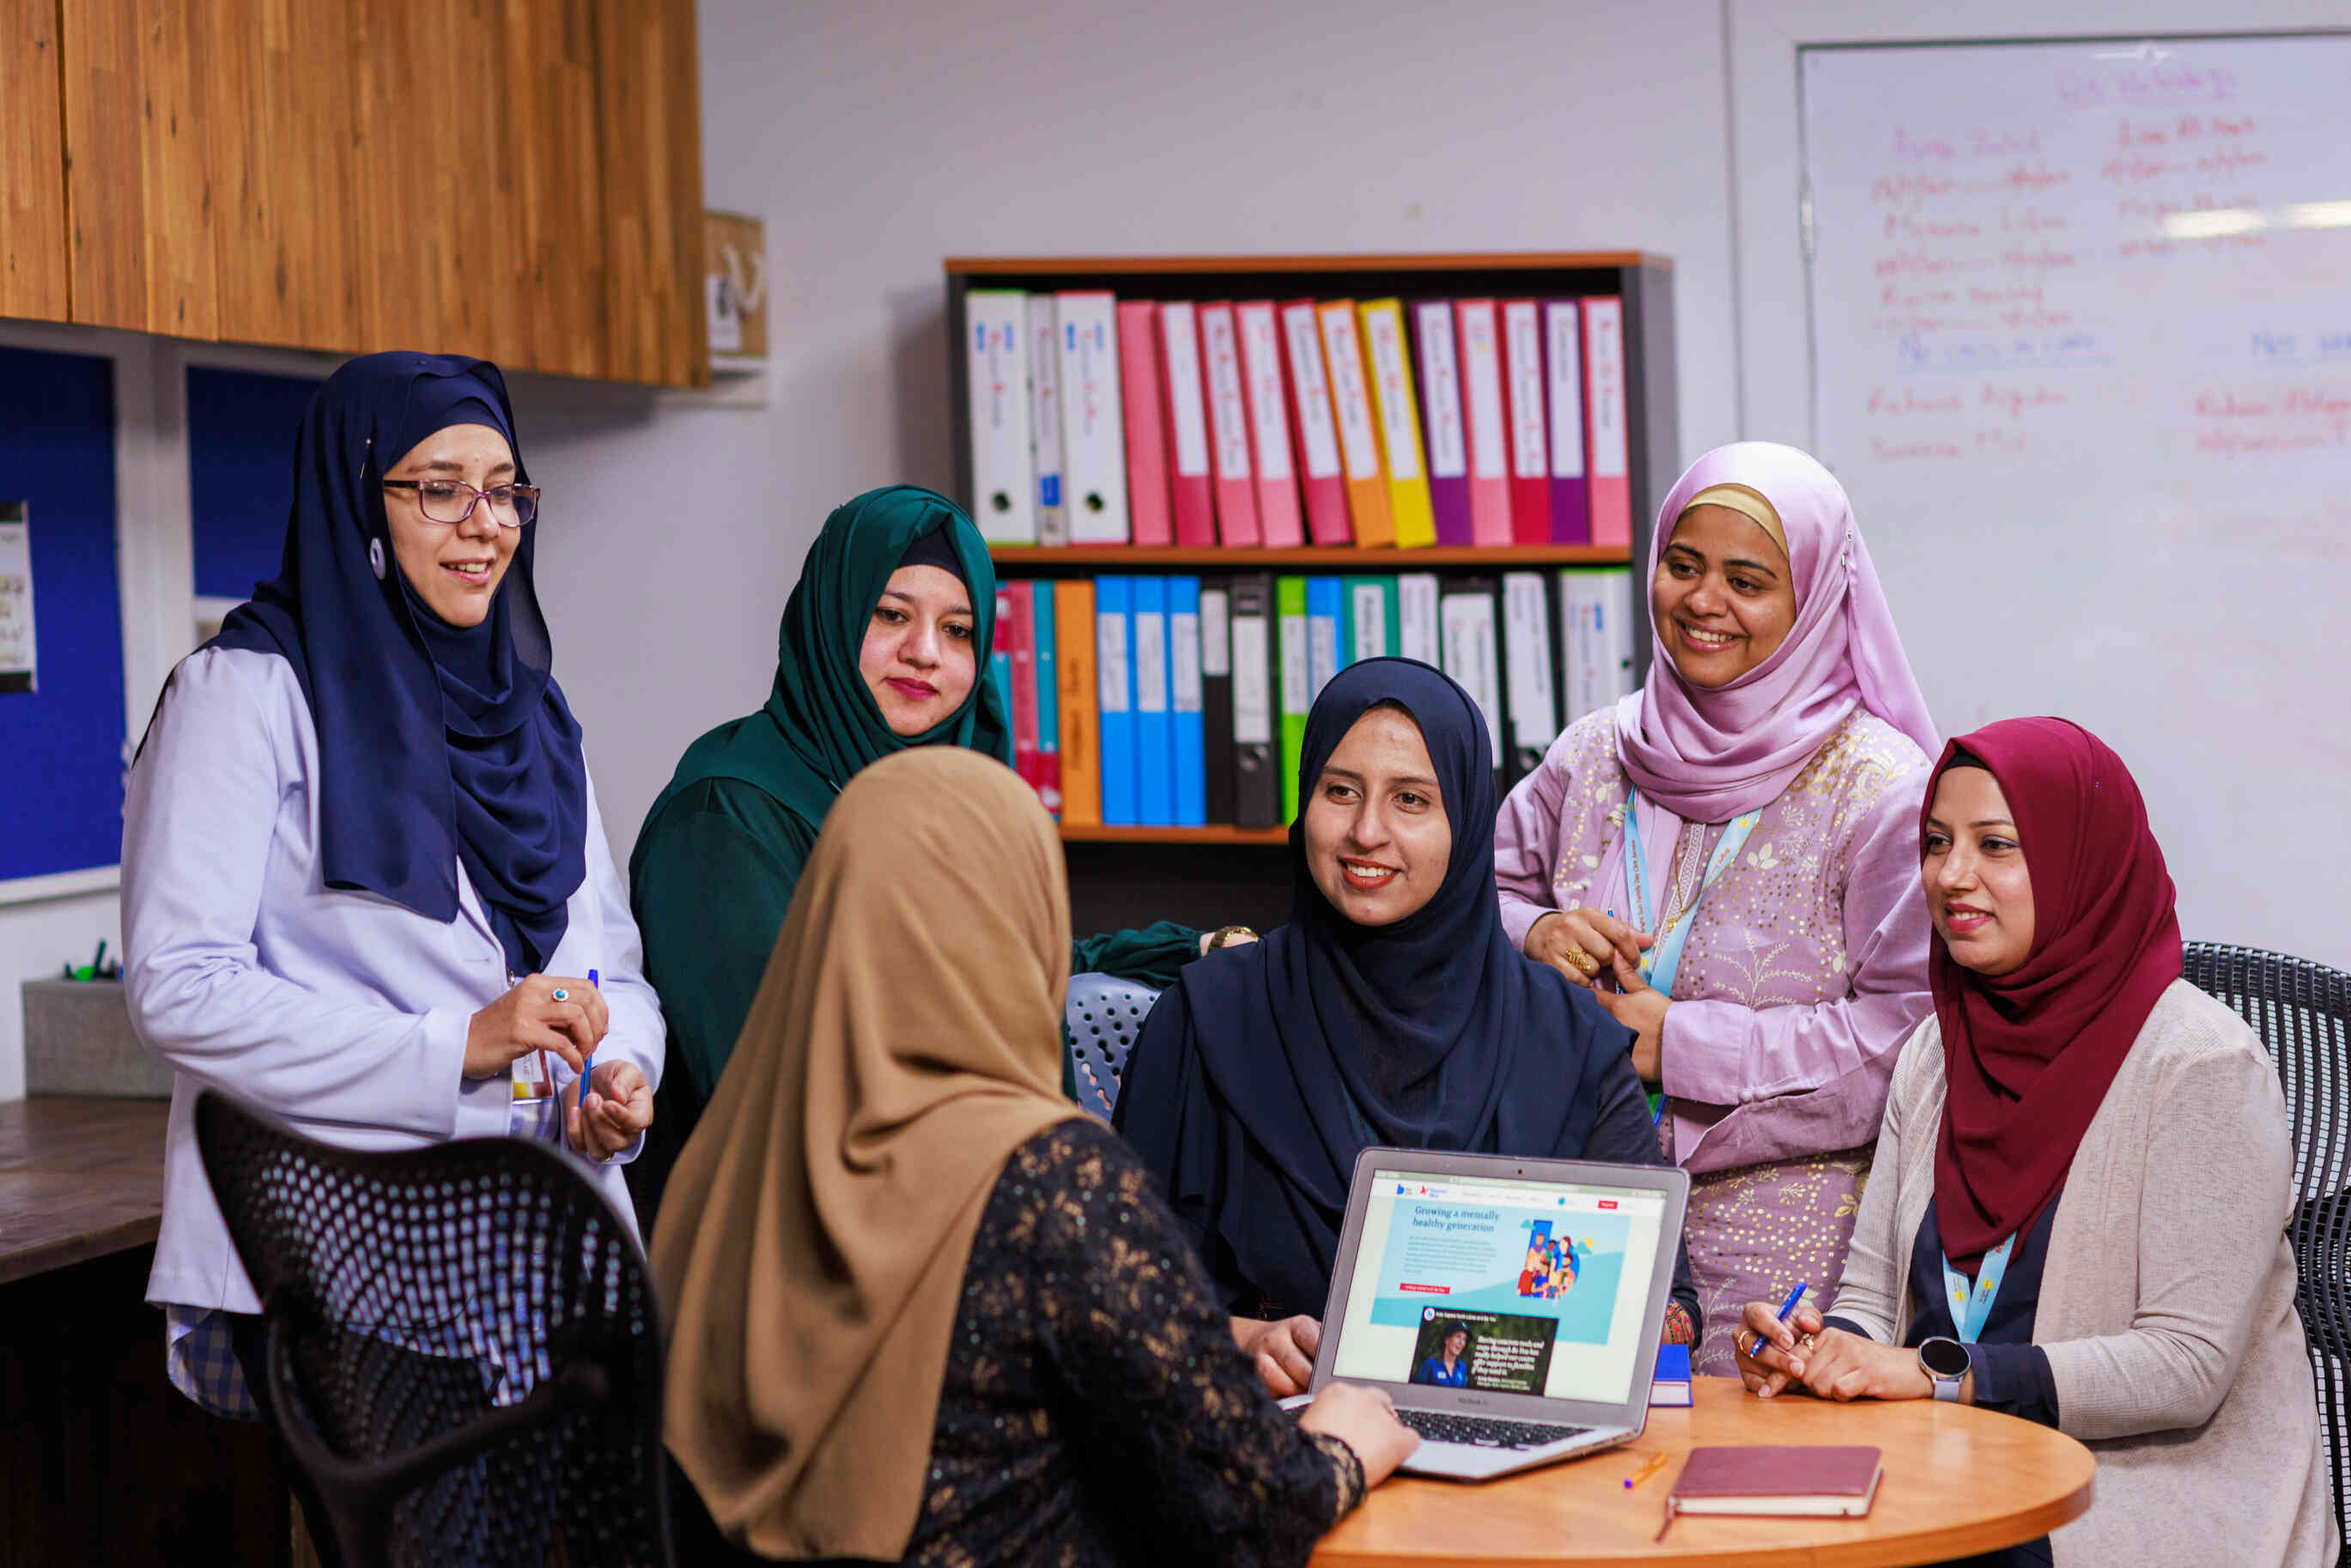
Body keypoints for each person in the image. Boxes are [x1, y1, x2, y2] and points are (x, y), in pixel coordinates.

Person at [652, 747, 1416, 1566]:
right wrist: (1340, 1445)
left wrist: (1199, 1339)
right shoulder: (1047, 1178)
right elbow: (1243, 1508)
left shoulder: (733, 1152)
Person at [122, 354, 662, 1431]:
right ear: (355, 499)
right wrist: (454, 1045)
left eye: (504, 488)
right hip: (340, 1254)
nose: (483, 523)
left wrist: (613, 1076)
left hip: (531, 1247)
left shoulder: (536, 714)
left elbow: (611, 964)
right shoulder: (245, 693)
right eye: (436, 486)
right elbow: (178, 986)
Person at [1734, 718, 2336, 1568]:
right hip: (1948, 1480)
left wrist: (1937, 1372)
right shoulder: (1936, 1050)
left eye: (1995, 845)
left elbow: (2182, 1366)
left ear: (2076, 862)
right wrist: (1818, 1344)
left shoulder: (2201, 1065)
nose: (1950, 875)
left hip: (2137, 1499)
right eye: (1937, 842)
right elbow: (1870, 1295)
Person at [627, 486, 1223, 1228]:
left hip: (951, 1220)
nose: (925, 653)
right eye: (891, 615)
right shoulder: (727, 816)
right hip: (788, 1256)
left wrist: (1191, 950)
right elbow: (774, 1099)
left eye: (960, 629)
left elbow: (991, 970)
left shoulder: (946, 803)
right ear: (831, 618)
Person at [1117, 658, 1700, 1396]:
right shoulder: (1205, 1019)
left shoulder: (1568, 1039)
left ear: (1465, 820)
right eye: (1340, 792)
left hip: (1519, 1466)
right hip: (1274, 1449)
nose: (1367, 832)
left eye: (1411, 801)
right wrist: (1237, 1341)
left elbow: (1667, 1307)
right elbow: (1107, 1303)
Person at [1494, 441, 1938, 1374]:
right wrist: (1533, 930)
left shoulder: (1880, 788)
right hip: (1574, 1223)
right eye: (1681, 565)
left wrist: (1683, 1044)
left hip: (1785, 1267)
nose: (1701, 601)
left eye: (1747, 580)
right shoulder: (1596, 752)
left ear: (1814, 598)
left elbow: (1909, 1040)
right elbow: (1462, 901)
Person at [1414, 1324, 1472, 1388]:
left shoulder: (1462, 1367)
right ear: (1447, 1340)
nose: (1461, 1342)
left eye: (1464, 1339)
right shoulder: (1429, 1365)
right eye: (1458, 1337)